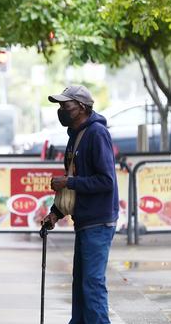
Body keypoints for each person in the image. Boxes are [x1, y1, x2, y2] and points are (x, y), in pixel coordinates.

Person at [42, 85, 119, 324]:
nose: (61, 110)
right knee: (81, 284)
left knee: (92, 284)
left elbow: (106, 180)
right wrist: (55, 213)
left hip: (98, 219)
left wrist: (69, 181)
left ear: (82, 108)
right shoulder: (75, 135)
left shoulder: (96, 134)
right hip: (84, 219)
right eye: (60, 106)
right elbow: (75, 180)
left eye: (66, 106)